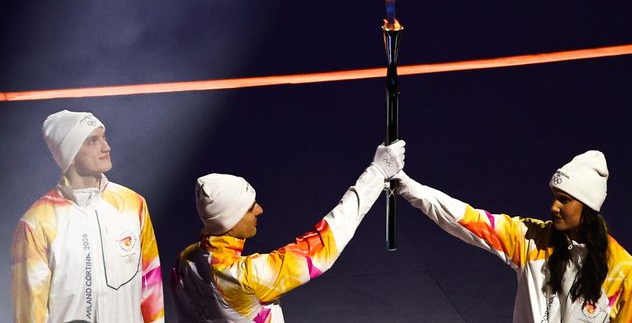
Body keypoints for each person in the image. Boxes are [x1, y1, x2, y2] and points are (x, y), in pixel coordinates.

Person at [396, 150, 632, 322]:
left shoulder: (624, 271)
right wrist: (407, 186)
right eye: (554, 198)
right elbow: (466, 218)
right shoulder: (531, 241)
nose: (554, 207)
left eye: (564, 200)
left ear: (588, 207)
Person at [170, 140, 406, 322]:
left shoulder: (184, 262)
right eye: (250, 208)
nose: (260, 210)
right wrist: (377, 173)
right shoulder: (245, 278)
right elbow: (324, 243)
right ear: (230, 219)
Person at [11, 110, 165, 322]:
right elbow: (29, 313)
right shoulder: (37, 223)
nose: (106, 147)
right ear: (70, 154)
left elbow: (152, 289)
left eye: (104, 137)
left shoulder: (133, 204)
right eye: (93, 141)